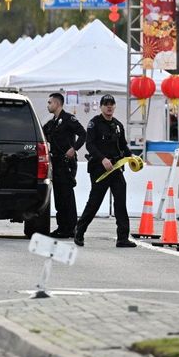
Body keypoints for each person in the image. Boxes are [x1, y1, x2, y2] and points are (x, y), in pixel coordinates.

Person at [74, 94, 136, 248]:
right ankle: (79, 232)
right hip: (99, 169)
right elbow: (89, 145)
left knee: (120, 202)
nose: (109, 107)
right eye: (106, 104)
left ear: (114, 106)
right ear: (101, 107)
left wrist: (132, 157)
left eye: (111, 104)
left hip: (115, 168)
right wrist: (102, 159)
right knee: (94, 202)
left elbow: (123, 146)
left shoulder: (118, 125)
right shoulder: (94, 124)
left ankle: (122, 238)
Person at [42, 92, 86, 239]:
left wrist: (73, 149)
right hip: (56, 163)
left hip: (66, 163)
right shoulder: (53, 122)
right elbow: (42, 132)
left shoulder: (68, 119)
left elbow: (83, 134)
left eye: (50, 103)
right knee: (59, 197)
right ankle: (62, 227)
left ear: (57, 104)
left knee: (67, 196)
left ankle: (71, 228)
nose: (48, 105)